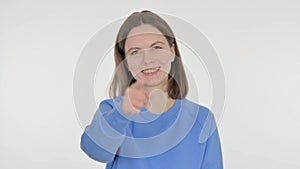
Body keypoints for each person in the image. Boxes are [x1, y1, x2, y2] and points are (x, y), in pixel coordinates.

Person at [80, 10, 223, 169]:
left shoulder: (202, 120)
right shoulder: (112, 111)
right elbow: (95, 151)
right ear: (126, 62)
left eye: (156, 47)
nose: (147, 59)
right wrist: (122, 114)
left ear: (172, 52)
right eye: (135, 52)